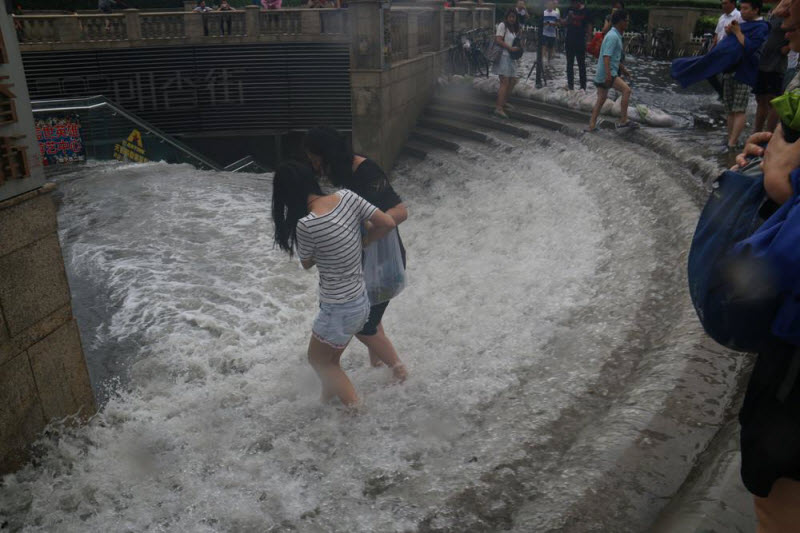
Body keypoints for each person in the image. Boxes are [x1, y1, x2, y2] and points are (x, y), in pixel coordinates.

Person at [271, 162, 396, 407]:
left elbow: (307, 262)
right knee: (331, 362)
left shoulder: (306, 224)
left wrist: (329, 248)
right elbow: (388, 223)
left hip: (338, 308)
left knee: (319, 361)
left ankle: (355, 413)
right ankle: (327, 404)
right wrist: (362, 241)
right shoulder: (347, 196)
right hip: (360, 302)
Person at [304, 127, 409, 382]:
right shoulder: (340, 172)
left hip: (384, 260)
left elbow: (400, 211)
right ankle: (379, 371)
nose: (315, 167)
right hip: (362, 262)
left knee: (364, 325)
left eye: (316, 160)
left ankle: (400, 374)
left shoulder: (365, 171)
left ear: (327, 155)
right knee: (369, 315)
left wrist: (367, 232)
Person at [721, 0, 768, 151]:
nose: (742, 11)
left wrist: (737, 32)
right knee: (729, 108)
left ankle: (733, 143)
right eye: (741, 8)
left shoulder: (761, 27)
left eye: (746, 8)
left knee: (739, 109)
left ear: (756, 10)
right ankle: (730, 140)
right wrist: (730, 33)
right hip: (730, 69)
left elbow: (749, 47)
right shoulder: (742, 25)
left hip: (745, 72)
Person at [587, 9, 633, 132]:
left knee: (601, 98)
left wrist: (623, 70)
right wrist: (609, 74)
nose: (628, 23)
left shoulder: (614, 35)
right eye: (626, 21)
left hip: (604, 72)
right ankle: (623, 120)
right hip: (608, 73)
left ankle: (592, 124)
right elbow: (606, 56)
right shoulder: (613, 36)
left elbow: (614, 58)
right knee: (626, 90)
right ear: (620, 22)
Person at [753, 11, 788, 133]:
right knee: (760, 98)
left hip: (777, 64)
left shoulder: (788, 11)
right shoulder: (772, 13)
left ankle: (769, 134)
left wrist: (788, 47)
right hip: (762, 62)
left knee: (773, 100)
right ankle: (757, 133)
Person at [493, 9, 522, 118]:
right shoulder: (502, 25)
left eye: (514, 17)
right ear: (507, 17)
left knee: (513, 80)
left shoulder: (514, 28)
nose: (512, 19)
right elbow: (498, 40)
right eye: (510, 17)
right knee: (504, 82)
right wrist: (510, 48)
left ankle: (503, 102)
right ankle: (498, 108)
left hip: (511, 58)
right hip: (503, 57)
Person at [562, 0, 591, 91]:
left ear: (579, 2)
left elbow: (589, 26)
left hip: (580, 41)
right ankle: (570, 86)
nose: (573, 5)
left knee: (581, 64)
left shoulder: (586, 11)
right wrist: (567, 19)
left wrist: (588, 41)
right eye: (572, 3)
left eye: (574, 3)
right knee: (569, 64)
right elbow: (564, 23)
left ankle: (583, 87)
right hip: (569, 40)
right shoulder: (569, 9)